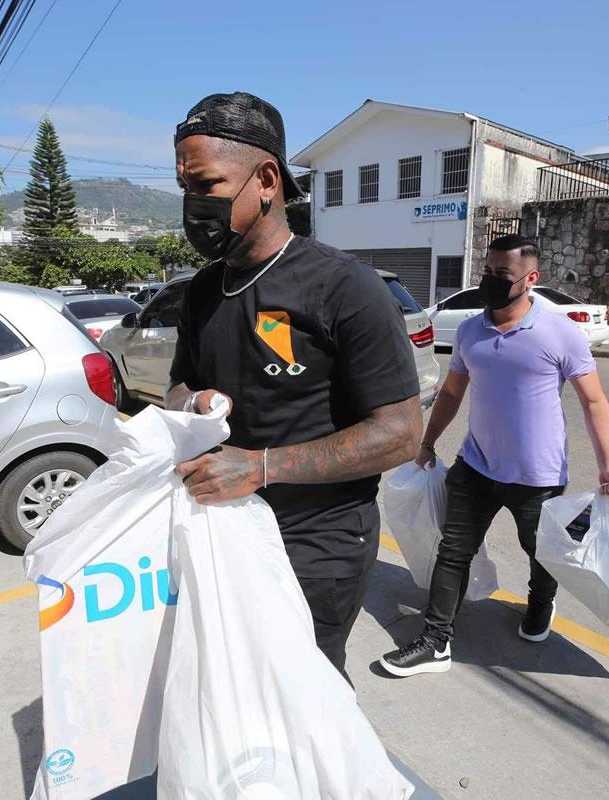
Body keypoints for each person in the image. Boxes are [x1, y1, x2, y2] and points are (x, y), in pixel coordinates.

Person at [166, 92, 423, 679]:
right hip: (223, 531)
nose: (193, 205)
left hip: (318, 545)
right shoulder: (202, 291)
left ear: (266, 180)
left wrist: (259, 468)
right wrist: (193, 403)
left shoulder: (345, 287)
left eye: (206, 185)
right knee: (233, 685)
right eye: (185, 188)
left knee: (307, 696)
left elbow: (400, 434)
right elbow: (178, 388)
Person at [379, 235, 609, 677]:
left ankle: (540, 604)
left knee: (540, 551)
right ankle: (436, 641)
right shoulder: (472, 330)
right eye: (488, 272)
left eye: (502, 275)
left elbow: (595, 402)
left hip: (539, 475)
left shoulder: (560, 333)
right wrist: (427, 441)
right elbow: (452, 392)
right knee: (452, 551)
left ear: (530, 279)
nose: (490, 281)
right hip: (475, 467)